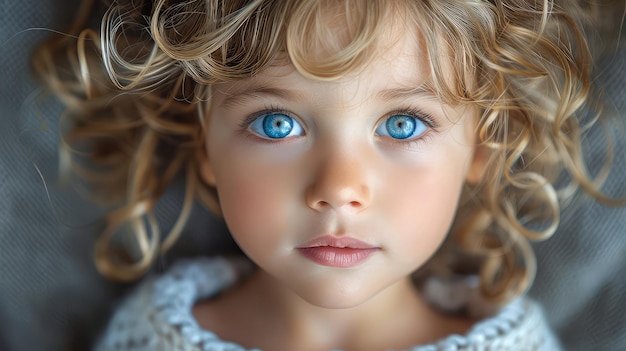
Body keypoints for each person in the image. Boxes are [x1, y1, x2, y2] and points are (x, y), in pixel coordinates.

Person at [31, 0, 623, 350]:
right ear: (204, 141)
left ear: (481, 150)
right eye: (277, 124)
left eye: (403, 126)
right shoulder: (149, 338)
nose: (339, 188)